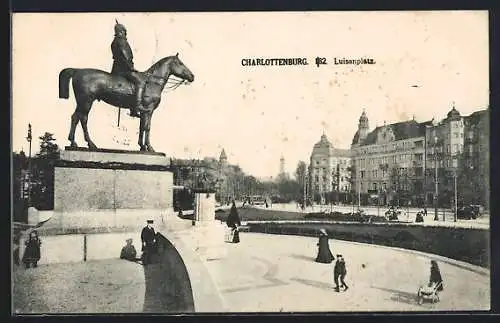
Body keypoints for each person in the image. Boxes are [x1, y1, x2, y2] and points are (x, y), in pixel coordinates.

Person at [111, 20, 146, 118]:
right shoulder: (121, 41)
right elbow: (125, 56)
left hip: (117, 69)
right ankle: (137, 107)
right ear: (121, 31)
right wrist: (131, 68)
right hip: (124, 70)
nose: (125, 33)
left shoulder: (114, 41)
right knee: (140, 82)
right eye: (124, 31)